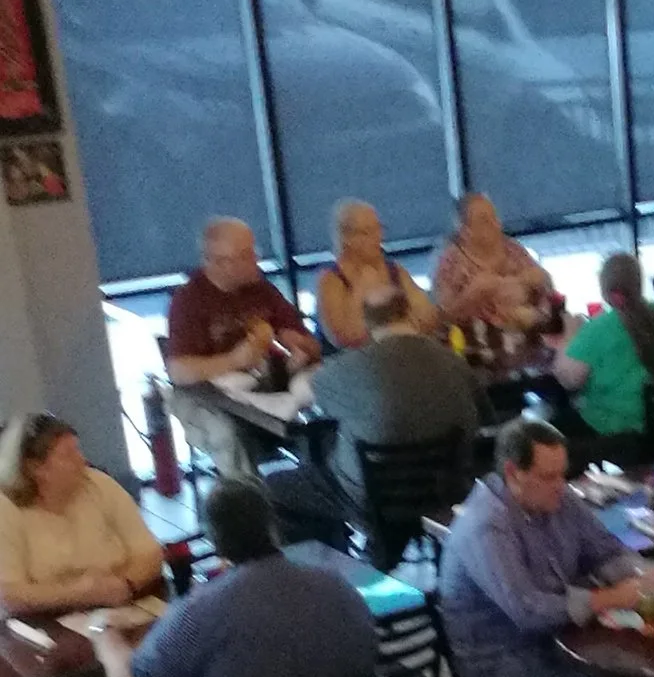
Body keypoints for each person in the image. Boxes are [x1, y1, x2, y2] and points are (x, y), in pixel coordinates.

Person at [131, 478, 377, 677]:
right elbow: (370, 651)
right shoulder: (338, 585)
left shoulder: (202, 609)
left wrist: (105, 638)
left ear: (214, 541)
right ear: (272, 525)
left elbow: (146, 674)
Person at [437, 416, 654, 677]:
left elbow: (604, 551)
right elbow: (527, 610)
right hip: (499, 656)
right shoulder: (486, 526)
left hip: (556, 634)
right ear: (513, 473)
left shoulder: (557, 498)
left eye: (562, 474)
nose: (561, 486)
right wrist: (612, 597)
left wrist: (645, 573)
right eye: (549, 477)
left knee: (643, 666)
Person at [306, 287, 481, 564]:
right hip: (445, 491)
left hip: (371, 497)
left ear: (366, 323)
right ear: (409, 313)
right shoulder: (453, 362)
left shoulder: (349, 368)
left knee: (280, 489)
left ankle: (332, 579)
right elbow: (484, 416)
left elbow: (316, 394)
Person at [163, 217, 316, 481]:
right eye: (247, 255)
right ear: (220, 263)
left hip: (263, 387)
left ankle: (319, 492)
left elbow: (306, 341)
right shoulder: (189, 300)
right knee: (227, 434)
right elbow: (178, 371)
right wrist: (236, 359)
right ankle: (249, 507)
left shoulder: (261, 289)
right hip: (205, 395)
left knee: (324, 408)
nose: (256, 259)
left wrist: (299, 347)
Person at [552, 254, 654, 463]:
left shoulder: (599, 328)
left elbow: (568, 379)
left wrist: (567, 337)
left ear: (605, 291)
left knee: (551, 430)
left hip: (627, 434)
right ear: (639, 283)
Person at [0, 418, 165, 618]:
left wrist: (125, 584)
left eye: (77, 450)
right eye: (68, 455)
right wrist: (78, 594)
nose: (82, 460)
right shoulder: (7, 509)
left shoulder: (99, 484)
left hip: (120, 605)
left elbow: (150, 553)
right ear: (37, 469)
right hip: (48, 621)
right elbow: (9, 594)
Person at [430, 194, 560, 344]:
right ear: (466, 231)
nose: (496, 224)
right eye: (485, 220)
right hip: (475, 345)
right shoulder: (450, 262)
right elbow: (441, 317)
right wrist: (471, 295)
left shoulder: (512, 249)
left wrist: (540, 279)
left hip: (525, 337)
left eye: (495, 217)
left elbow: (548, 292)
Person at [316, 201, 436, 351]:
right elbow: (345, 338)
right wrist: (360, 290)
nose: (378, 238)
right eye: (367, 232)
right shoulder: (331, 279)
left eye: (379, 229)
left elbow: (428, 318)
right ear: (346, 238)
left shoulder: (395, 271)